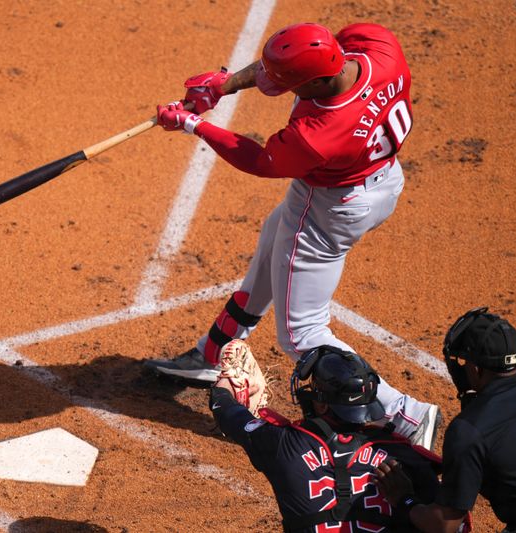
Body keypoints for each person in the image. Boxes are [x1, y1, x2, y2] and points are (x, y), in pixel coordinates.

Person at [143, 21, 439, 447]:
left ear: (319, 80)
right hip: (382, 180)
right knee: (270, 246)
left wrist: (193, 124)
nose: (282, 88)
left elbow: (262, 161)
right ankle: (214, 353)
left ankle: (404, 413)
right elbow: (287, 61)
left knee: (302, 334)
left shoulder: (320, 134)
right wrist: (224, 85)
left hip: (328, 209)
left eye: (293, 86)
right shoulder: (380, 48)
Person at [211, 342, 443, 532]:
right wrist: (408, 501)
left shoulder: (283, 444)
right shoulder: (409, 459)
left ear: (322, 405)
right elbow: (451, 523)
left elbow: (226, 411)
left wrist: (225, 386)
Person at [375, 307, 516, 532]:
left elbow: (443, 524)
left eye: (463, 362)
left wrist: (404, 499)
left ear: (476, 369)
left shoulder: (470, 429)